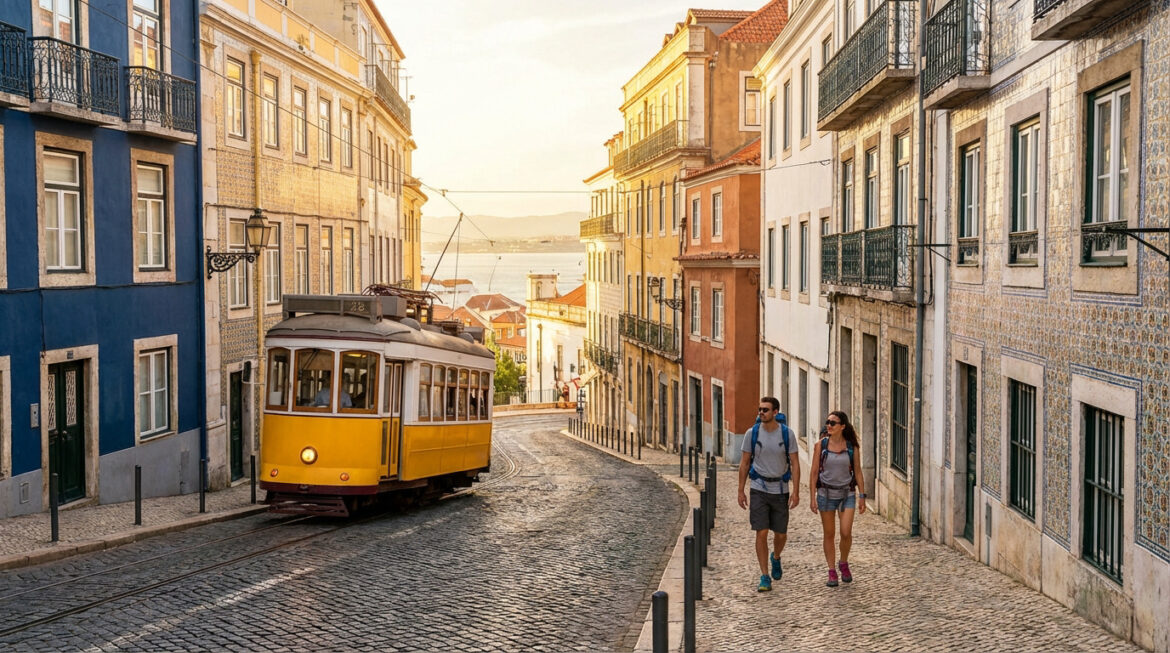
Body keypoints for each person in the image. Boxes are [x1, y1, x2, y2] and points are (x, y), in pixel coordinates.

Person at [737, 397, 800, 592]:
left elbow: (795, 463)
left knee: (781, 534)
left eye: (765, 410)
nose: (761, 413)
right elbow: (744, 462)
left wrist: (796, 491)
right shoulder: (752, 433)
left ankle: (776, 557)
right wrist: (741, 490)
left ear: (775, 412)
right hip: (759, 488)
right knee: (761, 531)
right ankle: (764, 576)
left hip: (780, 489)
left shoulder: (787, 434)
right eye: (760, 409)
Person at [809, 410, 866, 587]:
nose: (829, 425)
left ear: (842, 426)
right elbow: (814, 472)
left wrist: (862, 496)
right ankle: (831, 570)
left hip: (847, 493)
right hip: (825, 494)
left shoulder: (852, 446)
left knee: (846, 532)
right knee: (829, 533)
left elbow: (858, 471)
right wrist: (812, 498)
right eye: (827, 422)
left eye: (833, 423)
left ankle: (844, 562)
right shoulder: (821, 445)